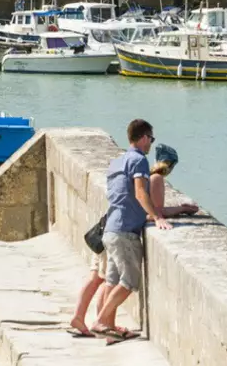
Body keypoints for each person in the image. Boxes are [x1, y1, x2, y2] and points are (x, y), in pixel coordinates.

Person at [69, 142, 195, 339]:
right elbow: (153, 210)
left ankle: (92, 321)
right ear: (170, 165)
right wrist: (180, 210)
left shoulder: (126, 166)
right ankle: (102, 322)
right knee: (111, 280)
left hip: (108, 228)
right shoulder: (155, 178)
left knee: (101, 278)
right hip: (120, 232)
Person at [87, 118, 169, 341]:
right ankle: (102, 321)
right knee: (130, 281)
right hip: (125, 232)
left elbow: (122, 196)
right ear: (143, 138)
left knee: (111, 281)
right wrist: (157, 216)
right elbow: (141, 193)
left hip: (110, 230)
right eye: (151, 139)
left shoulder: (117, 162)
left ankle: (109, 328)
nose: (151, 143)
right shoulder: (138, 160)